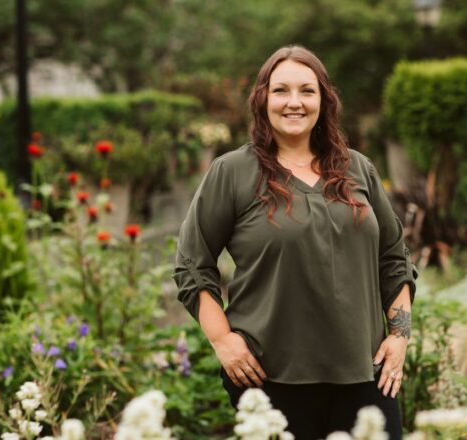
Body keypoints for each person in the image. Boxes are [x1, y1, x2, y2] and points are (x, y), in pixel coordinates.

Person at [173, 45, 418, 439]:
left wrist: (400, 337)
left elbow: (394, 260)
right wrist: (224, 342)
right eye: (281, 90)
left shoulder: (357, 168)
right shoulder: (233, 172)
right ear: (262, 99)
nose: (294, 102)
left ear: (324, 100)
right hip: (270, 378)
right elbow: (192, 264)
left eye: (307, 91)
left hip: (365, 374)